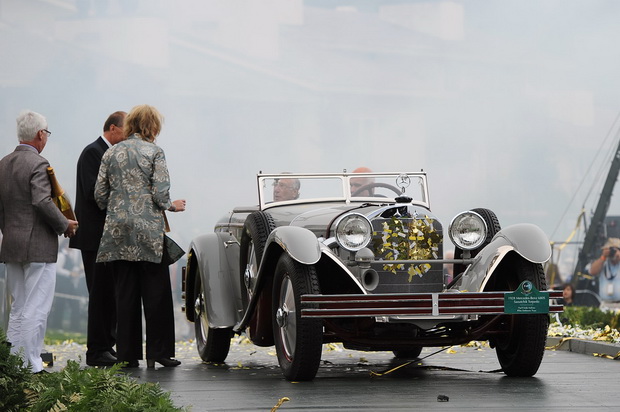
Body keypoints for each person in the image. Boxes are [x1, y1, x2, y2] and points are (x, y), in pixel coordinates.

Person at [94, 104, 186, 368]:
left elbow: (99, 196)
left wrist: (118, 206)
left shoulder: (111, 153)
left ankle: (127, 355)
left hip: (117, 234)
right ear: (153, 127)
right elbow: (160, 195)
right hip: (148, 233)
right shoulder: (155, 152)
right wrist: (173, 205)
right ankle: (159, 353)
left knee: (125, 294)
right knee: (156, 293)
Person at [0, 110, 79, 373]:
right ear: (39, 135)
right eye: (46, 133)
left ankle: (14, 361)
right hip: (38, 247)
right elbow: (42, 201)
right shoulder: (39, 164)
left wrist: (10, 231)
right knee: (37, 308)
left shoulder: (3, 163)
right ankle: (31, 364)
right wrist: (64, 225)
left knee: (18, 307)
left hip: (11, 244)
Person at [69, 111, 126, 366]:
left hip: (108, 237)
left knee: (109, 293)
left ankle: (107, 345)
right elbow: (95, 193)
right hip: (95, 237)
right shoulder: (93, 152)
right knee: (100, 293)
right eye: (126, 131)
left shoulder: (109, 153)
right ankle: (97, 350)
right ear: (113, 129)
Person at [588, 237, 620, 302]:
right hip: (605, 302)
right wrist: (603, 257)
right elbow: (592, 272)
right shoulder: (602, 262)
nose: (612, 252)